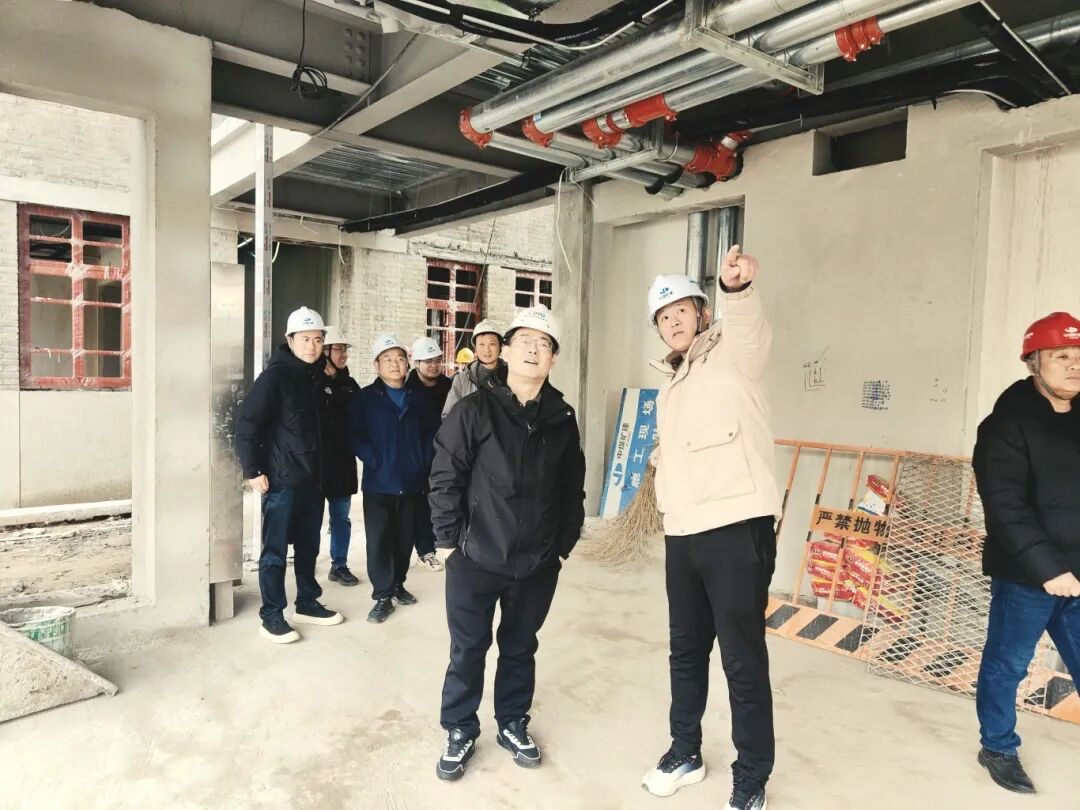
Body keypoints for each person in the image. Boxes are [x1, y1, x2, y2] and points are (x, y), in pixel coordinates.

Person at [640, 246, 780, 810]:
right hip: (684, 531)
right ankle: (685, 751)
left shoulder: (733, 354)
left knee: (741, 659)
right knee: (685, 650)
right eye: (662, 316)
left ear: (702, 312)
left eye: (681, 310)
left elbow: (746, 325)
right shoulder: (672, 382)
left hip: (736, 526)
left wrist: (736, 290)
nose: (673, 321)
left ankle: (752, 775)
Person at [429, 305, 585, 782]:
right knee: (468, 648)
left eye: (544, 344)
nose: (534, 350)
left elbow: (572, 487)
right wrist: (447, 541)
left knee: (520, 647)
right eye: (525, 342)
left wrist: (561, 546)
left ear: (553, 358)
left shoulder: (561, 417)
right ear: (507, 352)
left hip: (536, 562)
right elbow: (445, 475)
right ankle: (460, 727)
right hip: (475, 556)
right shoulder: (475, 409)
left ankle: (512, 721)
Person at [971, 311, 1080, 795]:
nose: (1074, 365)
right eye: (1061, 356)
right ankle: (997, 746)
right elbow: (1005, 506)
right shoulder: (1005, 425)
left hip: (1078, 574)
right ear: (1034, 362)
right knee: (1007, 665)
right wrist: (1048, 568)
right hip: (1028, 578)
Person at [236, 306, 345, 644]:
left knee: (309, 546)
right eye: (305, 339)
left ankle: (307, 603)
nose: (312, 346)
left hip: (313, 481)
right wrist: (253, 470)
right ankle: (272, 615)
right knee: (275, 552)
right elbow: (247, 425)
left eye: (318, 340)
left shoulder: (319, 378)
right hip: (282, 481)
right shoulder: (275, 378)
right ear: (290, 340)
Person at [348, 334, 429, 623]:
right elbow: (353, 434)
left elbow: (432, 435)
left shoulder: (420, 398)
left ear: (408, 364)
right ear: (376, 365)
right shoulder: (365, 399)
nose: (395, 364)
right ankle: (382, 594)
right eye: (387, 359)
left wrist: (422, 463)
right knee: (379, 540)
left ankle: (398, 584)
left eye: (400, 359)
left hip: (412, 482)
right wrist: (372, 458)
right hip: (379, 483)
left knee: (405, 538)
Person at [320, 326, 361, 587]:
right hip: (315, 464)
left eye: (345, 349)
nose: (344, 354)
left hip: (342, 463)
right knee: (309, 521)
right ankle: (305, 566)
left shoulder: (350, 385)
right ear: (325, 351)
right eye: (338, 349)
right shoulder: (311, 382)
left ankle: (339, 565)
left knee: (341, 518)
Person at [407, 336, 452, 573]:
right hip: (415, 456)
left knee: (443, 501)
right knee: (419, 506)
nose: (434, 365)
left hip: (444, 455)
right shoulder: (406, 388)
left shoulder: (449, 387)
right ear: (416, 363)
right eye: (428, 361)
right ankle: (425, 551)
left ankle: (442, 545)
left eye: (437, 360)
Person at [442, 320, 505, 419]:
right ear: (475, 348)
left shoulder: (512, 377)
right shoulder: (462, 381)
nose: (487, 349)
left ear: (500, 347)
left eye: (492, 344)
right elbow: (449, 417)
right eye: (481, 344)